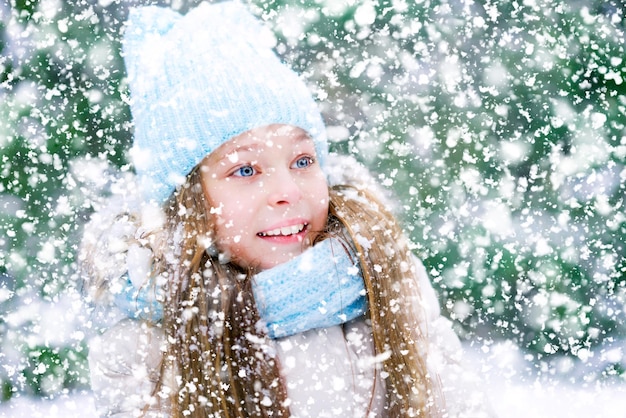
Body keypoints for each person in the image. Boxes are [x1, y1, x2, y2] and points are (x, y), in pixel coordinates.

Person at [80, 2, 495, 417]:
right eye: (245, 169)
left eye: (301, 161)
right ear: (188, 201)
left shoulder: (384, 283)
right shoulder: (148, 342)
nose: (286, 192)